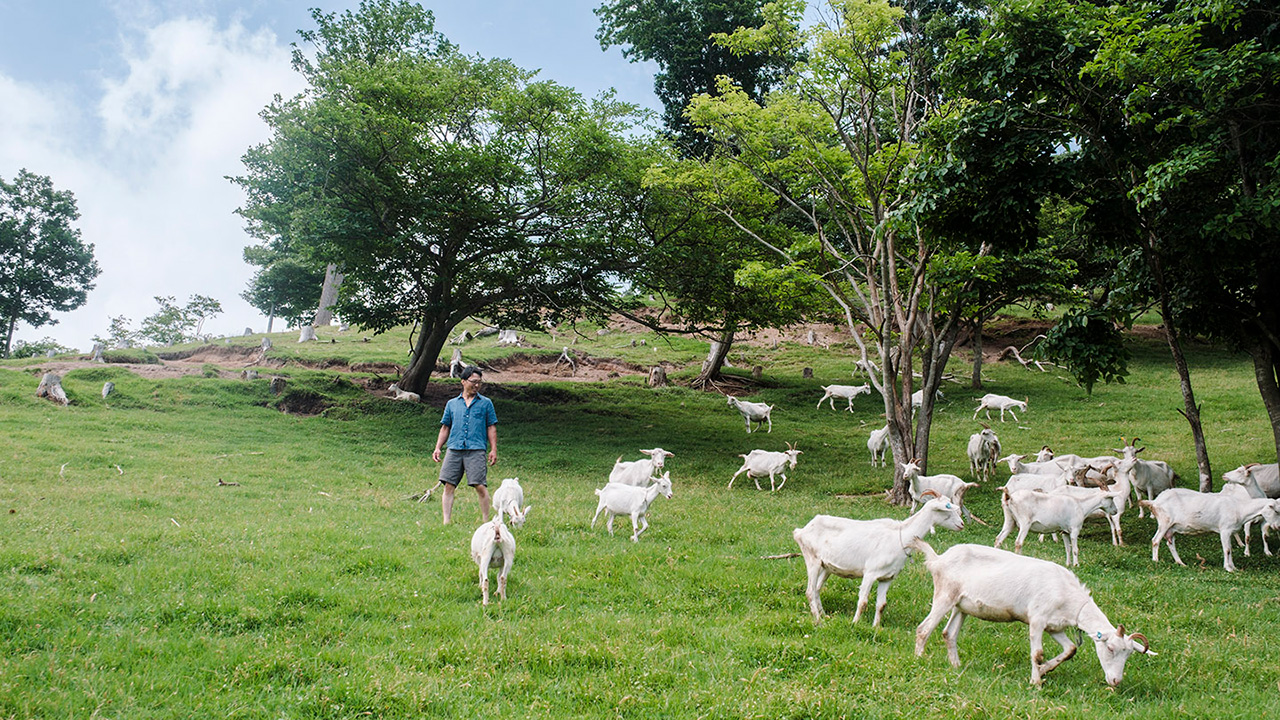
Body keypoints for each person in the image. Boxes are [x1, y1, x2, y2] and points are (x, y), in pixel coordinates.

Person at [432, 366, 498, 524]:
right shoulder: (452, 404)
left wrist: (493, 449)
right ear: (463, 381)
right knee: (448, 485)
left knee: (480, 485)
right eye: (473, 382)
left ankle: (485, 522)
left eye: (479, 383)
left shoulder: (486, 403)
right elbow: (445, 427)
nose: (476, 385)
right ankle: (446, 521)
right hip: (454, 448)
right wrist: (438, 447)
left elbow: (491, 427)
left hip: (476, 449)